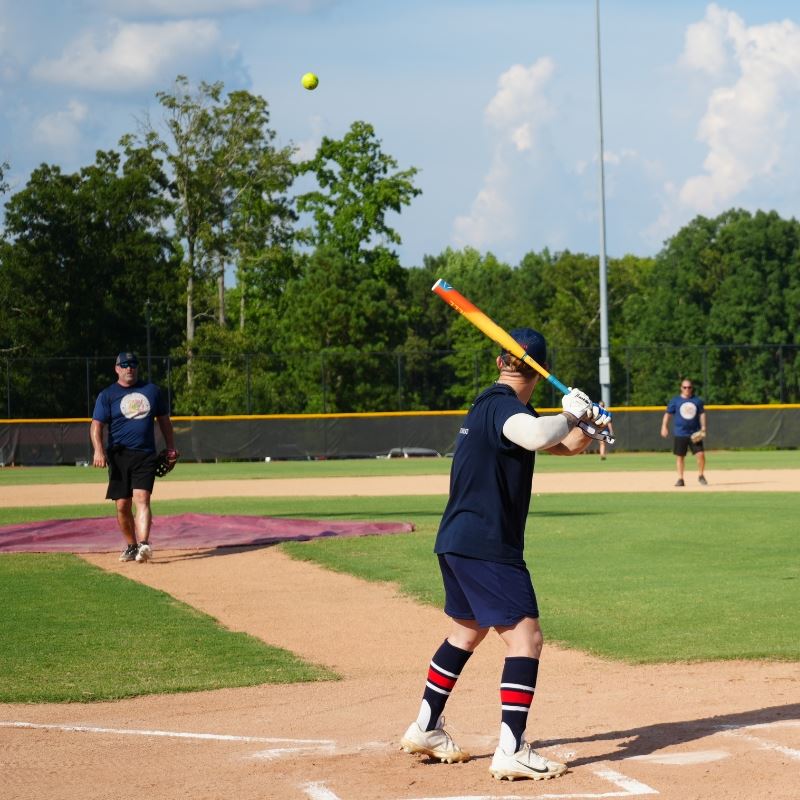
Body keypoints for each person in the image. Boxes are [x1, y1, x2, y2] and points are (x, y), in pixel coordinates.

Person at [399, 328, 611, 782]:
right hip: (487, 545)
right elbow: (535, 435)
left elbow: (559, 443)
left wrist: (589, 428)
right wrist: (569, 412)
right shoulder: (502, 407)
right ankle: (512, 749)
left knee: (466, 632)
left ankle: (425, 727)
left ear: (501, 362)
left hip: (459, 541)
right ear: (541, 370)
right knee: (526, 640)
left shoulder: (496, 407)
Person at [90, 351, 178, 563]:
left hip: (145, 454)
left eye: (133, 364)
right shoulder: (107, 395)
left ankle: (144, 544)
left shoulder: (152, 391)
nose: (129, 368)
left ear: (137, 368)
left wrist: (171, 448)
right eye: (124, 365)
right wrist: (98, 450)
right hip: (118, 456)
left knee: (142, 499)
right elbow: (96, 426)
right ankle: (131, 545)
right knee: (122, 505)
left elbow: (164, 421)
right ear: (117, 369)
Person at [660, 378, 707, 487]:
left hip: (695, 433)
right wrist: (664, 426)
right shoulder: (675, 401)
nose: (687, 389)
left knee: (701, 454)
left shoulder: (697, 401)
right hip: (680, 433)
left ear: (692, 388)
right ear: (681, 388)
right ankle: (680, 479)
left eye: (689, 387)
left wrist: (704, 427)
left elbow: (702, 414)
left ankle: (701, 475)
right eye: (685, 387)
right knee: (680, 456)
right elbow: (667, 414)